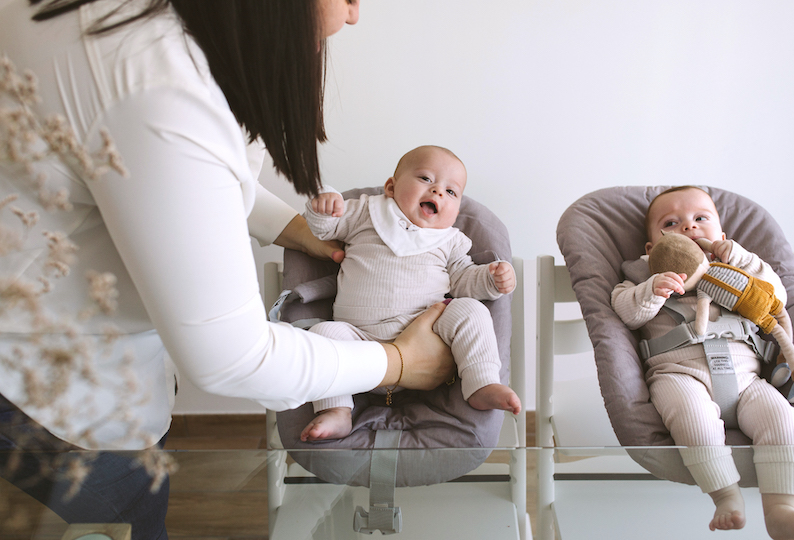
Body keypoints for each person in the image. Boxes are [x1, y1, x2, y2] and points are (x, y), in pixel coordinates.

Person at [0, 1, 454, 538]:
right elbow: (232, 355)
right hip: (52, 392)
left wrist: (294, 228)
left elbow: (177, 176)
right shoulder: (157, 87)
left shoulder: (141, 46)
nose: (353, 17)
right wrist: (399, 362)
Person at [611, 186, 794, 540]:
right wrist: (652, 290)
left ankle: (781, 509)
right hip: (679, 375)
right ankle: (725, 495)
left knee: (785, 423)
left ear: (720, 235)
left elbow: (775, 297)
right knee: (693, 421)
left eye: (700, 219)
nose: (688, 228)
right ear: (650, 248)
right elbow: (625, 312)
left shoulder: (738, 267)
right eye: (671, 223)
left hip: (747, 379)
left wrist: (742, 259)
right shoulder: (642, 274)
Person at [299, 145, 521, 442]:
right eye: (426, 179)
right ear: (391, 186)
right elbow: (327, 227)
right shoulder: (367, 211)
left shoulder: (451, 241)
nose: (438, 192)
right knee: (323, 333)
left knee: (470, 309)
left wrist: (491, 279)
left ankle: (481, 383)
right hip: (358, 343)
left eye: (451, 192)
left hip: (428, 342)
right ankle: (337, 410)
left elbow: (464, 281)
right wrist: (324, 204)